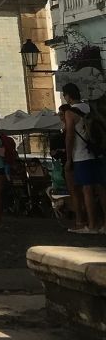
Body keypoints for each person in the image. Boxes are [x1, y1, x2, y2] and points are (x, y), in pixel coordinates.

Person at [62, 83, 106, 235]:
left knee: (87, 190)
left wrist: (68, 158)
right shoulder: (90, 108)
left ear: (68, 96)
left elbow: (69, 136)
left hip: (81, 155)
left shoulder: (70, 112)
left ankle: (91, 225)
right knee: (101, 188)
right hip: (98, 152)